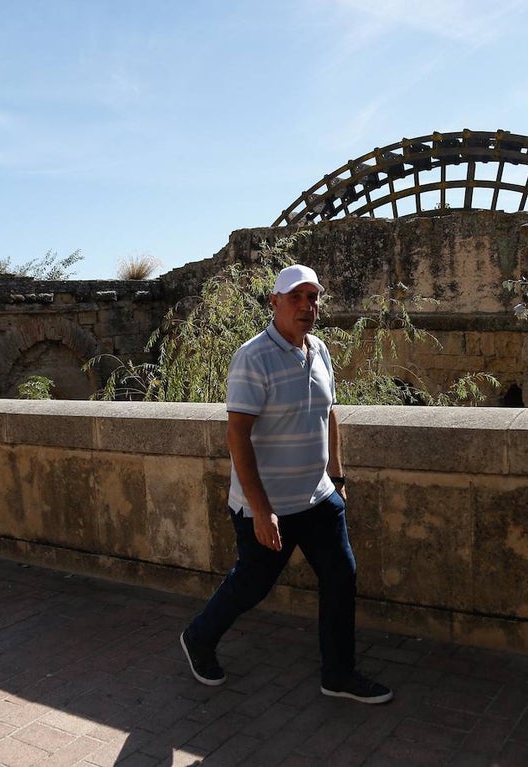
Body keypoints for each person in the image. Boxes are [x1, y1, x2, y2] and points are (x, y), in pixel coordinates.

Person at [180, 264, 393, 705]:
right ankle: (198, 637)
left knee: (341, 576)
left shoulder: (320, 350)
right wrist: (260, 510)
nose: (306, 306)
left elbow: (329, 412)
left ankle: (337, 674)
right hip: (269, 505)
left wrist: (337, 476)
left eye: (313, 298)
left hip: (318, 498)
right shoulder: (252, 357)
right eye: (295, 297)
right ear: (274, 302)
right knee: (251, 586)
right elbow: (237, 435)